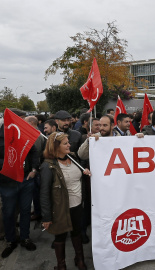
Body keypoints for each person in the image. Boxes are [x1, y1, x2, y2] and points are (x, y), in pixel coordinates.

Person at [40, 132, 91, 270]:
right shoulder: (47, 166)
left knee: (77, 232)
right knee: (60, 237)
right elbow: (44, 193)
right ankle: (61, 265)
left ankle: (79, 260)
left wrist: (85, 173)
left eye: (68, 142)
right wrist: (46, 217)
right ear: (56, 146)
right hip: (60, 208)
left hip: (77, 205)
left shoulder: (73, 157)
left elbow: (79, 176)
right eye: (65, 143)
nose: (69, 145)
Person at [0, 108, 39, 258]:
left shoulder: (24, 133)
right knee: (8, 213)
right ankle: (10, 240)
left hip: (26, 180)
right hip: (7, 183)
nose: (24, 123)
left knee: (25, 211)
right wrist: (9, 164)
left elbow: (34, 152)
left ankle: (25, 238)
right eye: (21, 120)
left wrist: (34, 168)